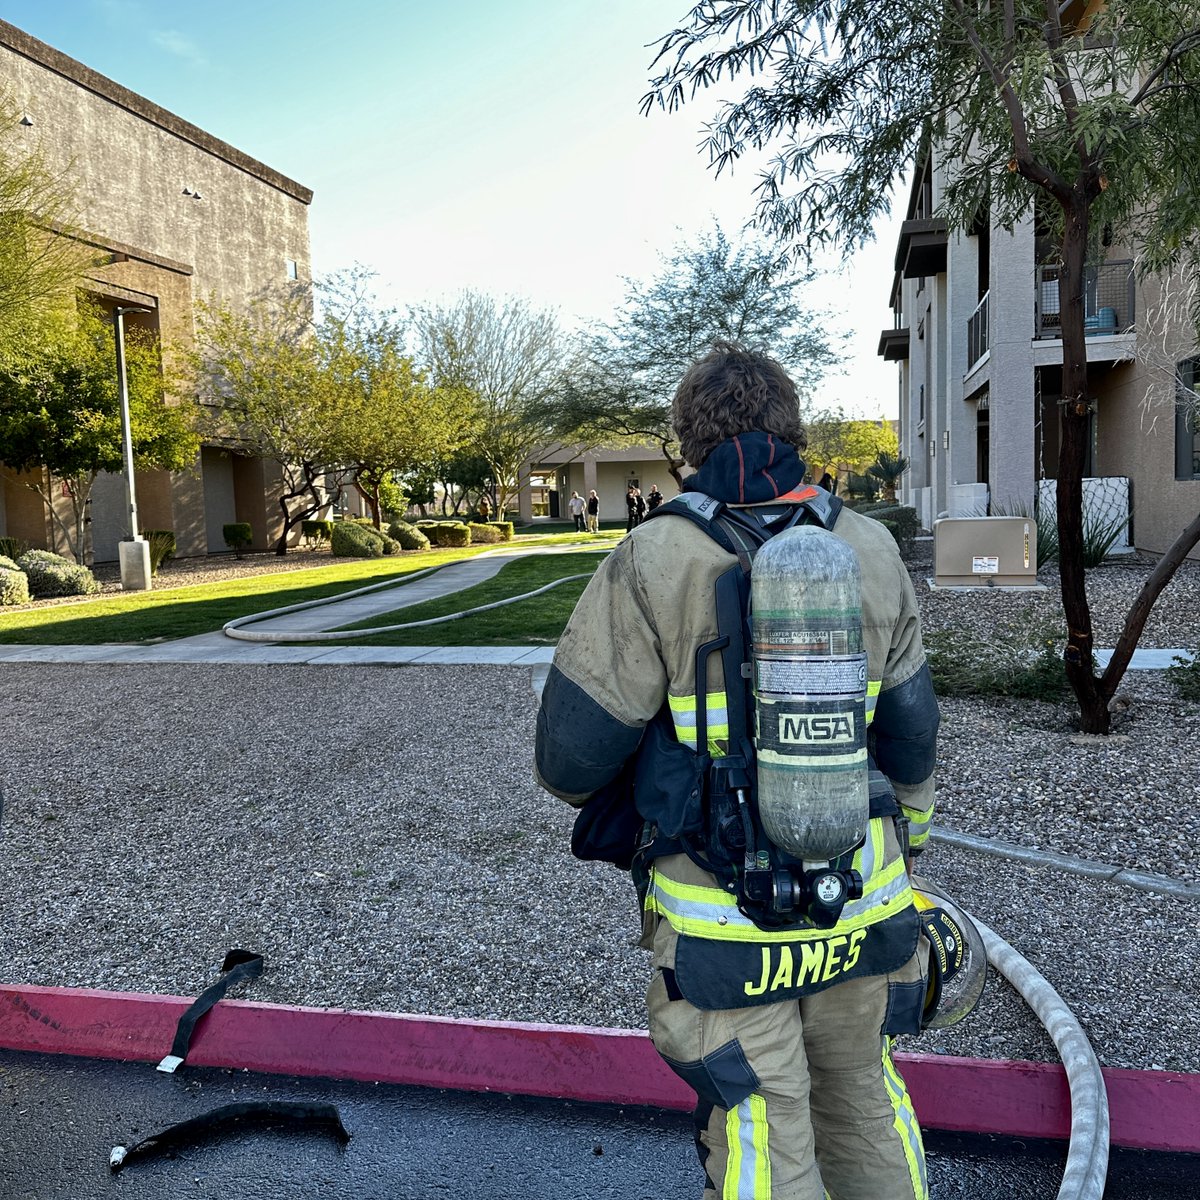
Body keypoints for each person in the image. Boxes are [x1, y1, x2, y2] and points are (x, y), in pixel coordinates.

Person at [535, 342, 939, 1200]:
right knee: (865, 1095)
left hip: (726, 922)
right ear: (794, 428)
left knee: (761, 1118)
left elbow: (569, 758)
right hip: (861, 902)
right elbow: (911, 736)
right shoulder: (867, 546)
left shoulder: (654, 555)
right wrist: (908, 843)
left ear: (686, 442)